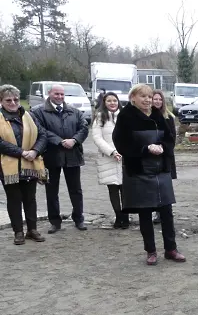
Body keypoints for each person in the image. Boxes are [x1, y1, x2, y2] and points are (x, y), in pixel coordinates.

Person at [112, 84, 185, 265]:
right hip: (140, 170)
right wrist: (145, 148)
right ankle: (151, 251)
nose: (147, 100)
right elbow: (121, 143)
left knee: (167, 211)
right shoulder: (126, 116)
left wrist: (162, 147)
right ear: (133, 98)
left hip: (161, 169)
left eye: (150, 97)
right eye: (143, 96)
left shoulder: (157, 114)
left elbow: (169, 137)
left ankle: (171, 249)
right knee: (145, 213)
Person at [31, 83, 89, 233]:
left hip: (72, 155)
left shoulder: (74, 111)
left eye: (62, 94)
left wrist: (74, 140)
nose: (59, 97)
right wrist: (59, 141)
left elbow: (84, 127)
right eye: (56, 94)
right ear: (49, 94)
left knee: (76, 189)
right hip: (51, 155)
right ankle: (55, 222)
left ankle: (79, 218)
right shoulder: (38, 112)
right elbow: (40, 130)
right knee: (52, 190)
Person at [0, 84, 48, 244]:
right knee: (14, 199)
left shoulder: (29, 116)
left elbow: (42, 134)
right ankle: (18, 231)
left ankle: (32, 229)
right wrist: (21, 152)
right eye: (8, 100)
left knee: (30, 198)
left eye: (15, 99)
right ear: (1, 101)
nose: (13, 103)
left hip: (30, 162)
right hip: (8, 165)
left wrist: (35, 151)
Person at [91, 92, 128, 229]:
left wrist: (125, 151)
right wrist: (112, 152)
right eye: (109, 101)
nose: (112, 103)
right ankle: (118, 216)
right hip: (108, 158)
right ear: (104, 103)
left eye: (115, 100)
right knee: (113, 189)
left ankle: (125, 216)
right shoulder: (100, 117)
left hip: (124, 157)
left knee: (125, 189)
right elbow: (97, 138)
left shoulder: (124, 116)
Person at [152, 89, 177, 224]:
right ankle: (156, 212)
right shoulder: (147, 116)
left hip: (165, 156)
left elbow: (172, 138)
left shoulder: (169, 117)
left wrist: (163, 148)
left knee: (165, 186)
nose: (157, 101)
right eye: (155, 99)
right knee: (153, 186)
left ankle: (166, 211)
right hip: (150, 155)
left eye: (160, 99)